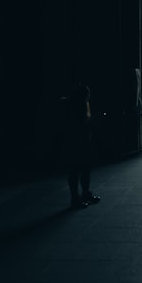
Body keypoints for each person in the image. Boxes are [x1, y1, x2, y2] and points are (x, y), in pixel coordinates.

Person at [61, 81, 101, 210]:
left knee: (84, 170)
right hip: (76, 143)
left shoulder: (84, 104)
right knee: (76, 171)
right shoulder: (75, 107)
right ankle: (76, 198)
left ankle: (84, 194)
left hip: (83, 142)